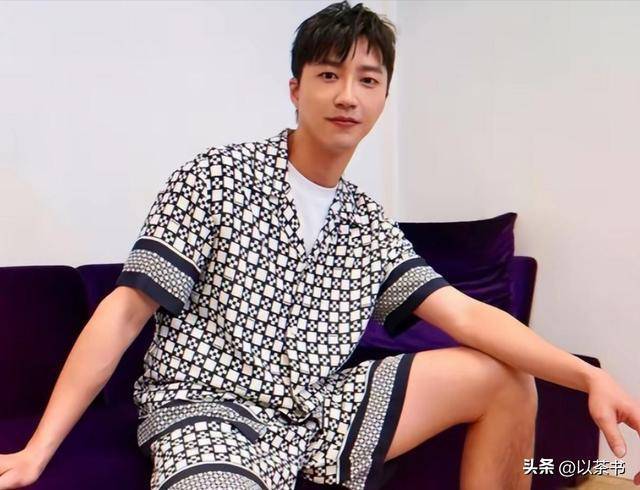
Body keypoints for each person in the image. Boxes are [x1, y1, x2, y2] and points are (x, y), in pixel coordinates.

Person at [1, 1, 639, 489]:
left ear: (383, 97)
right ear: (295, 89)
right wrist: (37, 450)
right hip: (209, 412)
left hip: (316, 410)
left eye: (367, 79)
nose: (347, 95)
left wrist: (588, 377)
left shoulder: (365, 221)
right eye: (328, 74)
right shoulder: (215, 176)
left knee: (505, 379)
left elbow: (466, 315)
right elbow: (122, 312)